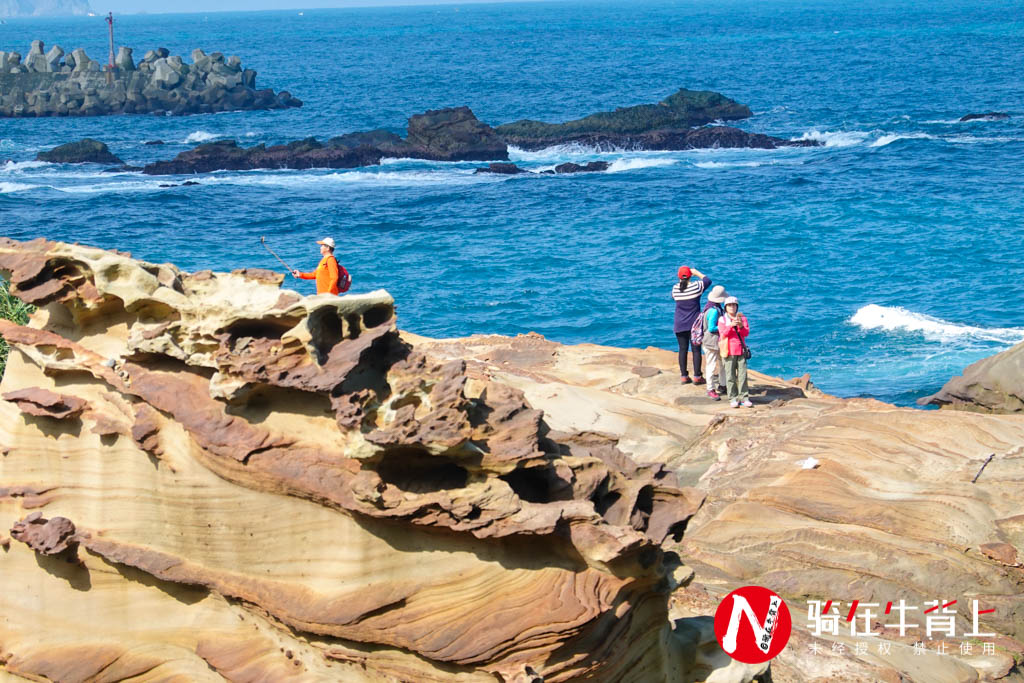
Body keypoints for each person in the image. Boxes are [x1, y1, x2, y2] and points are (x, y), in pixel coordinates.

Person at [672, 265, 711, 384]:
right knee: (696, 350)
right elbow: (708, 281)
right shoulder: (696, 286)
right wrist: (697, 273)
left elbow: (674, 297)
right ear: (690, 276)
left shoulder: (675, 289)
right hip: (695, 324)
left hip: (679, 323)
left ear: (679, 276)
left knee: (682, 349)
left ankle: (684, 376)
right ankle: (697, 376)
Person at [718, 296, 752, 408]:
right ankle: (733, 398)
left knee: (743, 375)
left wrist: (741, 326)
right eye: (729, 305)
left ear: (737, 306)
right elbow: (723, 334)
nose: (732, 307)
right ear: (725, 307)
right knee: (730, 376)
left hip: (741, 349)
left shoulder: (743, 318)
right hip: (728, 350)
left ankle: (744, 397)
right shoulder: (722, 319)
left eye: (734, 305)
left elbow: (746, 333)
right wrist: (731, 326)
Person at [700, 285, 729, 401]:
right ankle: (710, 388)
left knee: (721, 364)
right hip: (711, 342)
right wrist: (725, 326)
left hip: (714, 341)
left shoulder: (711, 308)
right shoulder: (714, 311)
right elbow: (711, 328)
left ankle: (722, 385)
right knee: (712, 365)